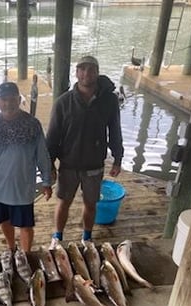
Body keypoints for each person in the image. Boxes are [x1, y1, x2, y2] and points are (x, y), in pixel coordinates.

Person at [46, 55, 124, 249]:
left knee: (91, 203)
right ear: (76, 72)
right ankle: (57, 237)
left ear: (97, 73)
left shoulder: (110, 101)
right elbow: (53, 137)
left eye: (91, 69)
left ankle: (87, 237)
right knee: (64, 201)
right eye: (82, 69)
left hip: (94, 164)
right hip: (69, 163)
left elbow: (115, 130)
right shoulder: (63, 102)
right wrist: (49, 165)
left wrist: (118, 158)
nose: (86, 73)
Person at [0, 82, 52, 253]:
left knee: (26, 225)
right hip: (0, 186)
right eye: (4, 99)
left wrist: (47, 181)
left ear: (19, 99)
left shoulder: (33, 124)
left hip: (23, 187)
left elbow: (42, 154)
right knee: (5, 221)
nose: (8, 103)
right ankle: (11, 248)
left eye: (12, 99)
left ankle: (25, 255)